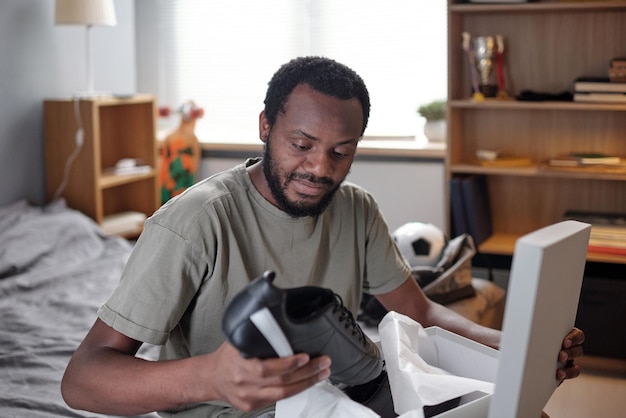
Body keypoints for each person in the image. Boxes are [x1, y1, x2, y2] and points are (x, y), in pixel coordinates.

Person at [61, 56, 584, 417]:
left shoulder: (355, 209)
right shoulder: (193, 223)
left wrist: (519, 348)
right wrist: (209, 378)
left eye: (341, 151)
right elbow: (82, 379)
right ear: (266, 127)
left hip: (350, 400)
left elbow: (420, 314)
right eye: (302, 144)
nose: (319, 168)